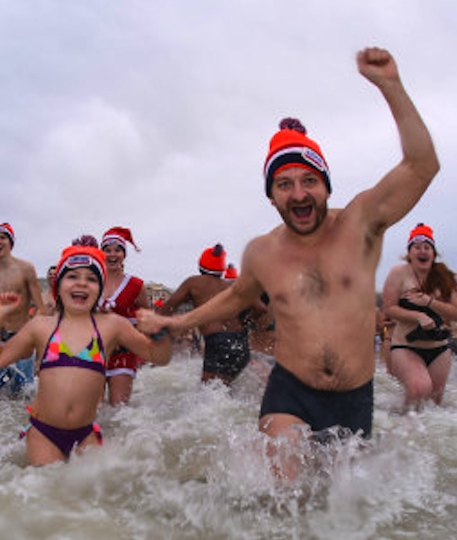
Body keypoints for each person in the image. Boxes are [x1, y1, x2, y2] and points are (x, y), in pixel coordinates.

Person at [138, 47, 439, 452]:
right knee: (282, 479)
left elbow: (422, 166)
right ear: (272, 198)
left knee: (339, 508)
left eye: (309, 181)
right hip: (290, 391)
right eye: (284, 185)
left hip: (354, 397)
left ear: (327, 186)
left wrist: (391, 87)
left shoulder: (361, 224)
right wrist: (178, 322)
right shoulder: (263, 252)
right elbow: (237, 297)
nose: (298, 194)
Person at [0, 245, 171, 465]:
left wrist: (161, 334)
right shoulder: (41, 326)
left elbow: (159, 357)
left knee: (90, 495)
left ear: (99, 289)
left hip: (86, 433)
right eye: (72, 276)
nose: (81, 282)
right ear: (58, 286)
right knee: (49, 489)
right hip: (44, 433)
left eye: (91, 279)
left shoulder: (112, 326)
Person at [382, 223, 457, 408]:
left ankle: (424, 435)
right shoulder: (399, 273)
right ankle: (400, 430)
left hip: (439, 349)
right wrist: (418, 316)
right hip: (406, 346)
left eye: (427, 247)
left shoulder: (444, 276)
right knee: (419, 387)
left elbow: (456, 314)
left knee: (433, 406)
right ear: (409, 253)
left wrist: (429, 302)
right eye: (417, 247)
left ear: (433, 254)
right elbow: (389, 308)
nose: (422, 251)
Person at [159, 244, 253, 385]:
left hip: (217, 341)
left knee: (207, 393)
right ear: (222, 270)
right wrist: (246, 323)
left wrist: (157, 328)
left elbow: (168, 307)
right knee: (224, 391)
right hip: (241, 343)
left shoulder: (194, 282)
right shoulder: (231, 285)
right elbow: (259, 308)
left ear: (200, 266)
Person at [0, 223, 48, 402]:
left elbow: (41, 308)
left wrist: (30, 335)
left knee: (22, 396)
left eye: (3, 238)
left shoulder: (25, 269)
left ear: (11, 243)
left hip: (21, 338)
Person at [98, 226, 151, 404]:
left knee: (117, 410)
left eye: (117, 250)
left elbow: (147, 320)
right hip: (92, 352)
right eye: (107, 250)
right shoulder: (90, 281)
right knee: (92, 411)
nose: (112, 254)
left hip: (123, 353)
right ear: (101, 253)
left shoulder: (136, 285)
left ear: (124, 254)